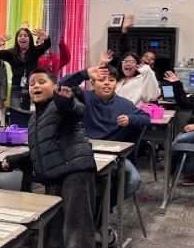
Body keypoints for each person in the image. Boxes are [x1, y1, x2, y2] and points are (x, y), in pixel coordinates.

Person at [0, 69, 100, 248]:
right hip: (53, 177)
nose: (35, 85)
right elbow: (39, 152)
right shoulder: (35, 119)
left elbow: (73, 108)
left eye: (42, 81)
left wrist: (66, 96)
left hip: (75, 173)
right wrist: (14, 160)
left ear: (54, 87)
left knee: (76, 234)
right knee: (53, 235)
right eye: (32, 83)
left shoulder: (61, 105)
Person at [60, 63, 151, 208]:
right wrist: (84, 73)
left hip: (114, 158)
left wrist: (130, 119)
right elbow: (61, 86)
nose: (107, 83)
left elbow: (146, 118)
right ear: (93, 83)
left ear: (116, 84)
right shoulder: (83, 97)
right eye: (102, 80)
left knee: (134, 180)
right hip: (85, 154)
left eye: (111, 80)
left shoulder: (125, 104)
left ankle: (103, 211)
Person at [0, 27, 52, 109]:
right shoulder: (11, 53)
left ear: (29, 39)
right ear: (17, 40)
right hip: (15, 87)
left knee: (25, 112)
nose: (22, 37)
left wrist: (47, 38)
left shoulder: (35, 51)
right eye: (20, 36)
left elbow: (46, 45)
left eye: (25, 35)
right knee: (15, 113)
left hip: (29, 88)